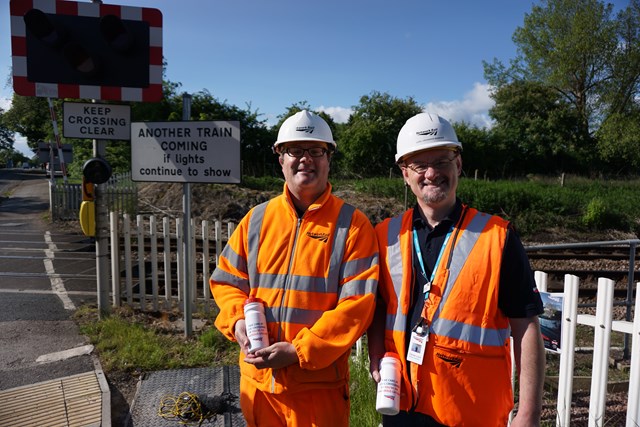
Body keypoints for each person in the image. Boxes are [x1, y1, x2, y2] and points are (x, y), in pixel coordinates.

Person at [367, 112, 545, 427]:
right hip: (402, 408)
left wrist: (528, 413)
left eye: (442, 161)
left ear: (459, 165)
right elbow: (378, 305)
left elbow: (526, 327)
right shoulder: (385, 235)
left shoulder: (498, 237)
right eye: (419, 165)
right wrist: (376, 354)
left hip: (472, 412)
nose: (432, 173)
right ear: (405, 174)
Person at [210, 110, 379, 426]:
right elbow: (227, 281)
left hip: (316, 391)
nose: (306, 159)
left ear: (328, 159)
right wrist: (237, 322)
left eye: (316, 151)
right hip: (258, 384)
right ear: (280, 158)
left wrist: (299, 351)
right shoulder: (257, 220)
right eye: (295, 151)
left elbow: (358, 308)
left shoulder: (353, 226)